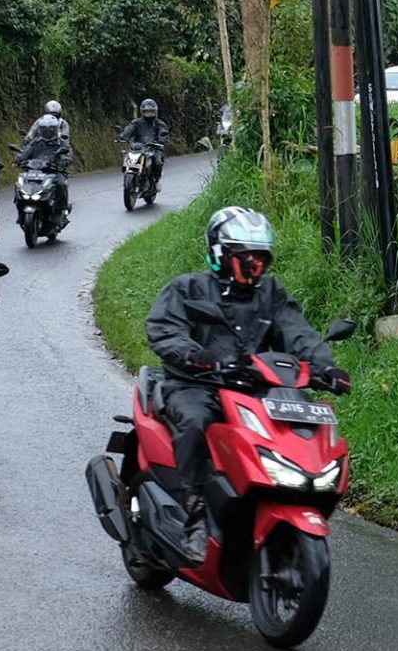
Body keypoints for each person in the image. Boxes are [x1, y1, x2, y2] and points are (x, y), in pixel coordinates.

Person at [144, 206, 351, 563]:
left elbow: (296, 332)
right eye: (247, 260)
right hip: (197, 384)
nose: (256, 268)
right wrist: (198, 356)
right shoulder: (188, 289)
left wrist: (326, 368)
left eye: (261, 261)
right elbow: (165, 330)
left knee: (297, 425)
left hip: (254, 388)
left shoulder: (270, 293)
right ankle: (194, 513)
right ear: (221, 256)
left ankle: (275, 498)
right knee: (195, 421)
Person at [16, 114, 73, 217]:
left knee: (61, 184)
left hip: (54, 172)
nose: (48, 132)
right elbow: (25, 153)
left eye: (50, 129)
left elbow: (67, 155)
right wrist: (19, 159)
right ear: (40, 130)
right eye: (44, 129)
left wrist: (62, 162)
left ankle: (62, 209)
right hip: (35, 172)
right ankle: (21, 208)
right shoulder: (36, 142)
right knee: (20, 184)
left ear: (55, 129)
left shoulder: (61, 143)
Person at [117, 98, 171, 190]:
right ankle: (133, 177)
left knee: (158, 162)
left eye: (150, 111)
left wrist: (160, 140)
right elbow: (129, 130)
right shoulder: (136, 122)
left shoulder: (160, 124)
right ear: (142, 111)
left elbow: (163, 133)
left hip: (154, 148)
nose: (148, 114)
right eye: (146, 111)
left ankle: (156, 180)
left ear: (155, 111)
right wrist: (123, 136)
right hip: (137, 147)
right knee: (128, 158)